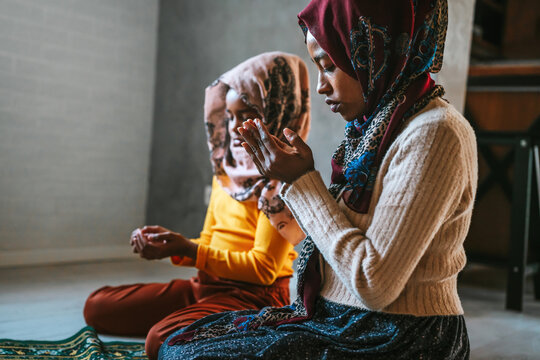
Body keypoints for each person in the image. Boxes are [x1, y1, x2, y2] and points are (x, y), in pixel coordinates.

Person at [158, 0, 477, 359]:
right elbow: (340, 245)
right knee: (178, 343)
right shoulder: (374, 129)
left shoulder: (433, 133)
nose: (321, 87)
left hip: (398, 334)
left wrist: (302, 181)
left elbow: (374, 284)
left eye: (328, 66)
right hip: (341, 317)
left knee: (184, 354)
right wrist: (294, 187)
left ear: (373, 48)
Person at [83, 51, 311, 360]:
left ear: (276, 110)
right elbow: (209, 241)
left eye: (246, 115)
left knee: (159, 341)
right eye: (230, 117)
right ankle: (199, 318)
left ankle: (238, 324)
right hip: (205, 286)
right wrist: (171, 244)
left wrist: (191, 252)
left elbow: (264, 269)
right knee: (96, 306)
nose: (233, 127)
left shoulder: (283, 181)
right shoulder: (225, 171)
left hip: (255, 296)